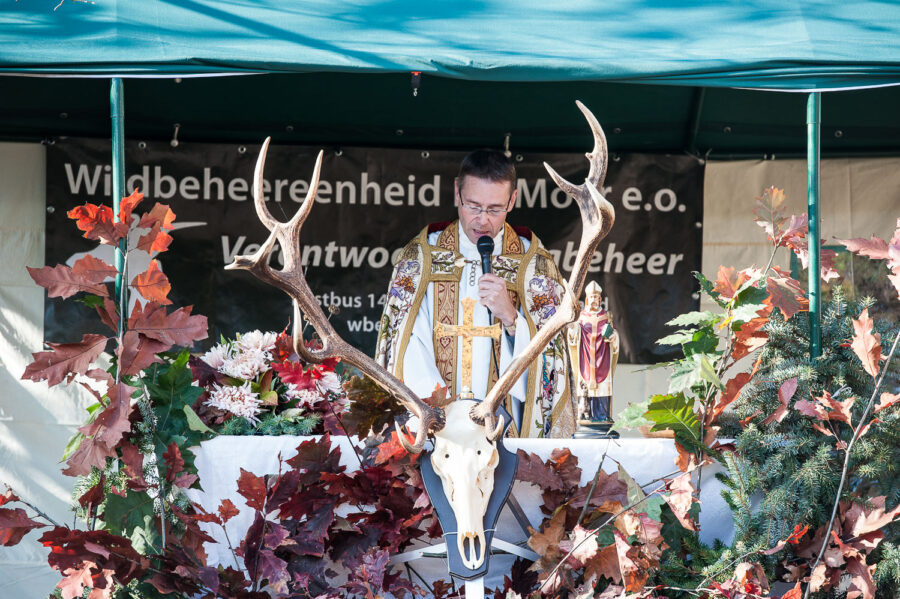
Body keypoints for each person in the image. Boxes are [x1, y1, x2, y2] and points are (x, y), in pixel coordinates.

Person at [375, 149, 573, 437]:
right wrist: (439, 415)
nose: (482, 220)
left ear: (513, 200)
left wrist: (512, 320)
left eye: (495, 209)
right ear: (457, 193)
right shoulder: (422, 257)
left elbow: (553, 360)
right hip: (437, 429)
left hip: (504, 429)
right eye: (473, 206)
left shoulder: (534, 264)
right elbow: (402, 345)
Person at [566, 281, 619, 437]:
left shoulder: (607, 316)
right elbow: (573, 337)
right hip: (586, 359)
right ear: (587, 299)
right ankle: (585, 416)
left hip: (602, 358)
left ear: (600, 298)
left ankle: (603, 416)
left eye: (597, 297)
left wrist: (613, 337)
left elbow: (614, 335)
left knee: (603, 388)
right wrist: (572, 329)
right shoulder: (581, 318)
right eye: (592, 297)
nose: (594, 300)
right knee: (585, 387)